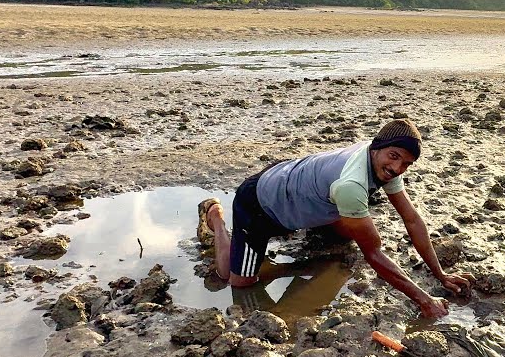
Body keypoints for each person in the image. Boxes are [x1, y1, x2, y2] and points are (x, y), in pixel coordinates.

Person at [202, 118, 471, 318]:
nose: (397, 168)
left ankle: (293, 254)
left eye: (406, 164)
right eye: (394, 157)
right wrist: (424, 300)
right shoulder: (351, 184)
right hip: (259, 205)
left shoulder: (381, 161)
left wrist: (441, 274)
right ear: (377, 148)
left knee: (347, 236)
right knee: (238, 283)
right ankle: (216, 219)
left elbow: (411, 219)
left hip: (297, 184)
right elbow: (374, 254)